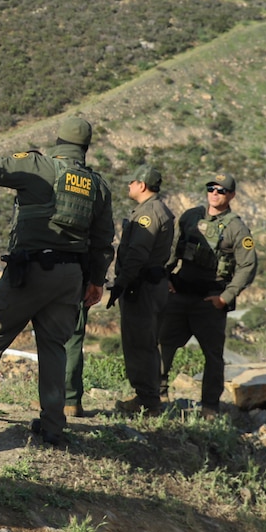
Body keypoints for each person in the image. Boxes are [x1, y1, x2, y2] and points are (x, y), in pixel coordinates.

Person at [0, 118, 115, 446]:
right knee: (54, 349)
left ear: (58, 141)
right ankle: (53, 426)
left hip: (30, 270)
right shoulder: (97, 186)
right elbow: (102, 241)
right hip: (71, 276)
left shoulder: (36, 166)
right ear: (84, 149)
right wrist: (95, 281)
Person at [157, 173, 258, 417]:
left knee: (213, 356)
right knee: (163, 345)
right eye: (211, 188)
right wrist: (166, 277)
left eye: (221, 190)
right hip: (180, 294)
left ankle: (210, 407)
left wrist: (226, 297)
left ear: (231, 195)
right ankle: (156, 393)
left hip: (210, 301)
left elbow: (248, 266)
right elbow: (175, 250)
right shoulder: (191, 216)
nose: (214, 193)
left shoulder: (237, 228)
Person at [108, 165, 175, 415]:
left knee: (140, 342)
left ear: (142, 185)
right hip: (149, 285)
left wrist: (122, 283)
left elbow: (137, 254)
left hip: (142, 287)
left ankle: (147, 400)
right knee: (144, 341)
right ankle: (147, 396)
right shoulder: (156, 209)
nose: (128, 186)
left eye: (132, 182)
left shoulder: (148, 213)